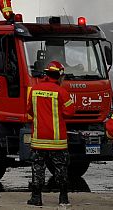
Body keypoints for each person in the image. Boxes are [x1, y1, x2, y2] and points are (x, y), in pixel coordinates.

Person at [27, 61, 75, 206]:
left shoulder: (34, 90)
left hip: (38, 139)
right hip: (57, 141)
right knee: (61, 169)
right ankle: (63, 198)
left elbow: (29, 110)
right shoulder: (62, 92)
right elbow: (70, 112)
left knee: (37, 168)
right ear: (59, 76)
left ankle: (36, 198)